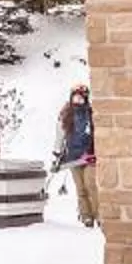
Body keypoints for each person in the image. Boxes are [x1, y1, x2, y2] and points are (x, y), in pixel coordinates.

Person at [54, 84, 98, 227]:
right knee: (81, 189)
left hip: (89, 155)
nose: (78, 100)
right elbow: (60, 134)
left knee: (91, 185)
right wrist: (58, 152)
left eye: (81, 98)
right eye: (75, 97)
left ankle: (99, 215)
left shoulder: (91, 113)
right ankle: (86, 216)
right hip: (73, 157)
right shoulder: (66, 114)